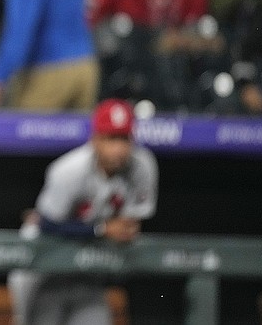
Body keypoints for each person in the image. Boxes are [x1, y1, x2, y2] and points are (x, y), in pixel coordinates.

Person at [9, 99, 158, 325]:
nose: (118, 148)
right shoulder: (69, 170)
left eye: (124, 138)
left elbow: (131, 222)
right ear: (95, 139)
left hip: (87, 270)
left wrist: (115, 229)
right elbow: (45, 223)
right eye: (111, 138)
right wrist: (101, 229)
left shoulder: (142, 166)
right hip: (42, 265)